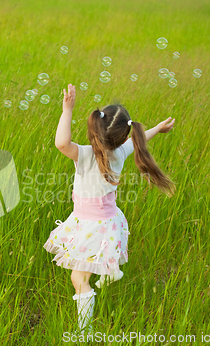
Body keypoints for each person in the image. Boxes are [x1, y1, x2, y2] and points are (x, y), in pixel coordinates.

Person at [43, 84, 176, 333]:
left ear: (95, 129)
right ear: (126, 137)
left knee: (78, 279)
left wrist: (67, 109)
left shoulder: (84, 154)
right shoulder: (122, 152)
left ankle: (84, 332)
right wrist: (158, 128)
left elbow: (62, 143)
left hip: (90, 226)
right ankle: (110, 271)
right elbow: (141, 138)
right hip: (109, 223)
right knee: (85, 271)